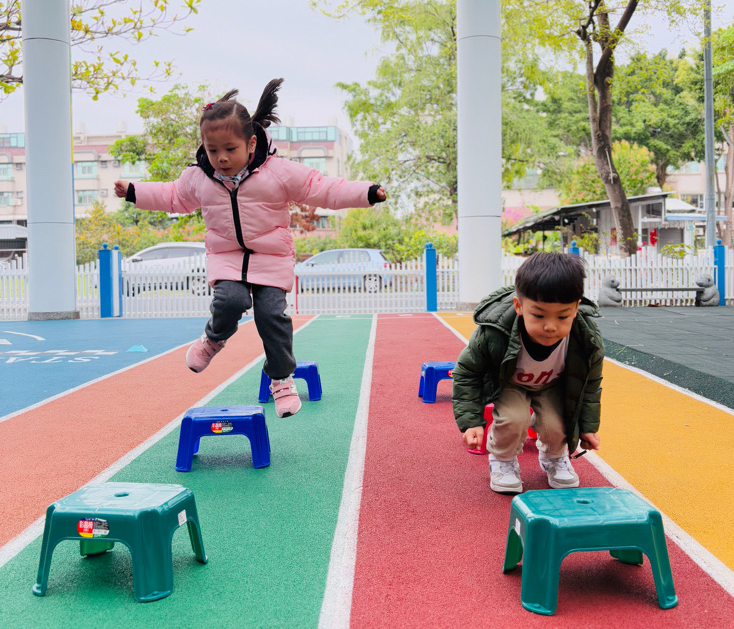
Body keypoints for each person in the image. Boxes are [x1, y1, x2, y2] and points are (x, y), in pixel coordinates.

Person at [115, 81, 386, 417]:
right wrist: (134, 191)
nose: (221, 158)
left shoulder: (278, 173)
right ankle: (213, 339)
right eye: (212, 150)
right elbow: (172, 196)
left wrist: (366, 193)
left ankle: (281, 379)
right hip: (227, 257)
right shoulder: (199, 178)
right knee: (231, 301)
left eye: (230, 149)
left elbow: (322, 188)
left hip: (271, 258)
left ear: (251, 142)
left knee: (271, 315)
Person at [451, 253, 603, 494]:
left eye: (562, 316)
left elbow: (590, 385)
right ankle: (502, 459)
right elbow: (467, 372)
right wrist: (471, 423)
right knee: (514, 419)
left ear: (576, 308)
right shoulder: (494, 331)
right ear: (519, 306)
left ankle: (555, 456)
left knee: (557, 424)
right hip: (511, 383)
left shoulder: (586, 338)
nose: (550, 326)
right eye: (539, 315)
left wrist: (587, 427)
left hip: (553, 385)